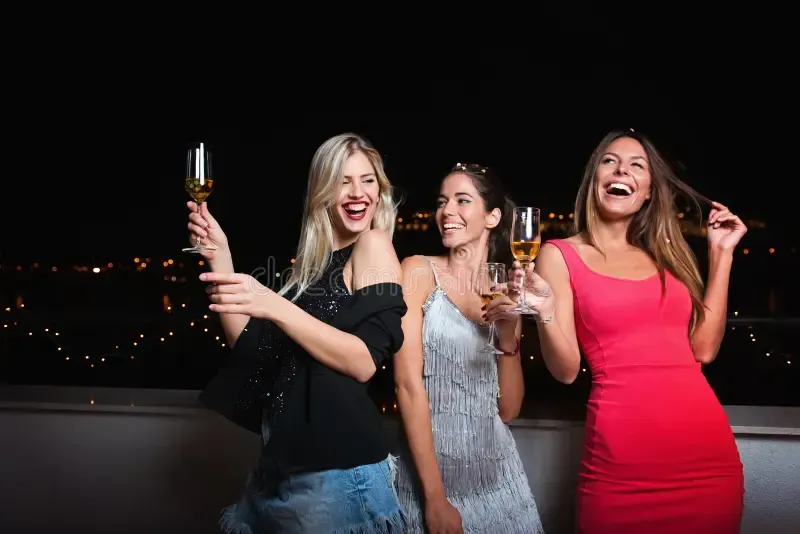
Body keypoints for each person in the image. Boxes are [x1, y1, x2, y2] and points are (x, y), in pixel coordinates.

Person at [510, 130, 746, 533]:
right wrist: (545, 310)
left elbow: (703, 349)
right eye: (610, 160)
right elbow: (566, 371)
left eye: (638, 165)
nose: (622, 169)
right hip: (619, 473)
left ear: (650, 191)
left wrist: (721, 254)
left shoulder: (666, 256)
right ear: (594, 179)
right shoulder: (559, 254)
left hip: (708, 467)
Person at [190, 133, 408, 533]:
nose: (357, 192)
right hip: (276, 470)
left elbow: (363, 361)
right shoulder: (313, 267)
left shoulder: (374, 245)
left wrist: (275, 304)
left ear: (380, 190)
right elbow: (251, 348)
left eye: (368, 180)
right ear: (323, 190)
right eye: (343, 181)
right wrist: (220, 254)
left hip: (337, 476)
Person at [394, 163, 545, 533]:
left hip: (499, 481)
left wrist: (509, 339)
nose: (447, 212)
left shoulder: (505, 291)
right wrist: (434, 497)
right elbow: (406, 386)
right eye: (443, 201)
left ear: (492, 217)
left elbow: (508, 409)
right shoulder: (416, 271)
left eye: (463, 201)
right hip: (430, 483)